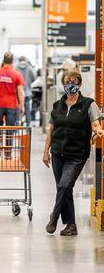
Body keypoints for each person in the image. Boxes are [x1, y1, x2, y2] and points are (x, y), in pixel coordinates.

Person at [43, 71, 104, 236]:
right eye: (68, 81)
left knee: (64, 185)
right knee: (64, 188)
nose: (71, 84)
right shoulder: (57, 105)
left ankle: (54, 216)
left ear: (80, 84)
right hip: (57, 153)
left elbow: (95, 124)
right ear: (63, 84)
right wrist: (46, 152)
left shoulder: (89, 104)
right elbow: (51, 130)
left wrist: (98, 131)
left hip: (77, 154)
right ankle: (71, 225)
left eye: (74, 81)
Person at [0, 52, 25, 127]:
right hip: (12, 105)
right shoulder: (17, 74)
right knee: (10, 131)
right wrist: (22, 106)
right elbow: (21, 92)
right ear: (12, 61)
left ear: (3, 60)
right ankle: (9, 139)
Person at [15, 56, 37, 126]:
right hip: (28, 92)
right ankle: (28, 124)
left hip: (18, 93)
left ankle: (18, 123)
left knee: (18, 109)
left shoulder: (15, 69)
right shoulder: (30, 68)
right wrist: (29, 83)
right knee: (27, 109)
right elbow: (34, 78)